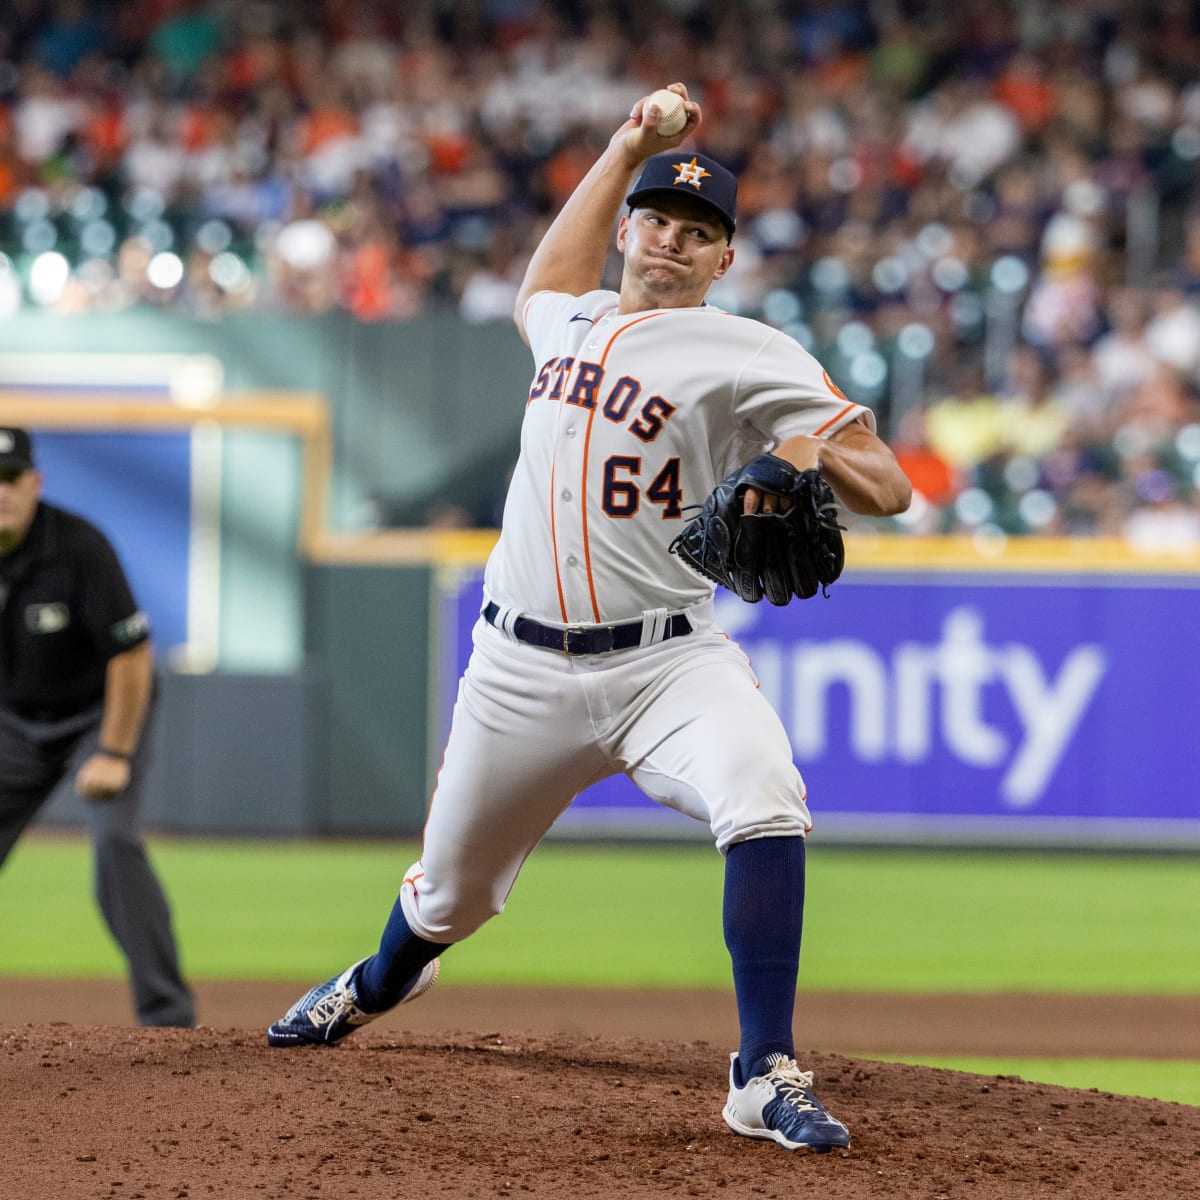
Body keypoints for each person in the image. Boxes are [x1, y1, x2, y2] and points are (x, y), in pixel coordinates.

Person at [267, 84, 911, 1152]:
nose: (672, 241)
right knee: (446, 903)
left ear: (722, 262)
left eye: (699, 234)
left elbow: (885, 483)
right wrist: (624, 147)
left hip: (669, 663)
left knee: (765, 795)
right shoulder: (568, 319)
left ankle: (763, 1071)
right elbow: (543, 278)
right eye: (659, 220)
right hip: (517, 670)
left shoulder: (749, 352)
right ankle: (376, 982)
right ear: (629, 229)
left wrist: (803, 450)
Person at [0, 427, 194, 1028]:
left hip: (99, 712)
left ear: (35, 482)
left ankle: (168, 1020)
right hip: (15, 721)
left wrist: (112, 749)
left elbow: (131, 654)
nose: (1, 492)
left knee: (115, 843)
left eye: (10, 479)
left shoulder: (79, 548)